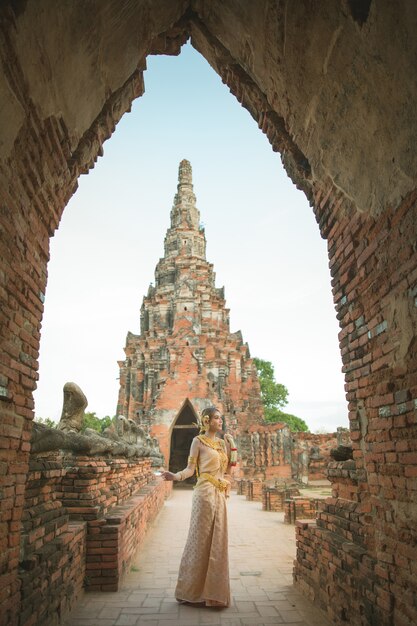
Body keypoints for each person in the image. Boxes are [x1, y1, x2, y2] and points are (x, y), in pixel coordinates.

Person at [161, 406, 237, 607]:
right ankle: (191, 592)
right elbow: (190, 469)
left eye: (221, 418)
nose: (220, 421)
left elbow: (228, 469)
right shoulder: (198, 442)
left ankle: (214, 594)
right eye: (217, 418)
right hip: (203, 494)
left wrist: (232, 448)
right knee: (199, 542)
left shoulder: (221, 444)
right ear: (206, 420)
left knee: (218, 541)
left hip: (219, 493)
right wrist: (174, 476)